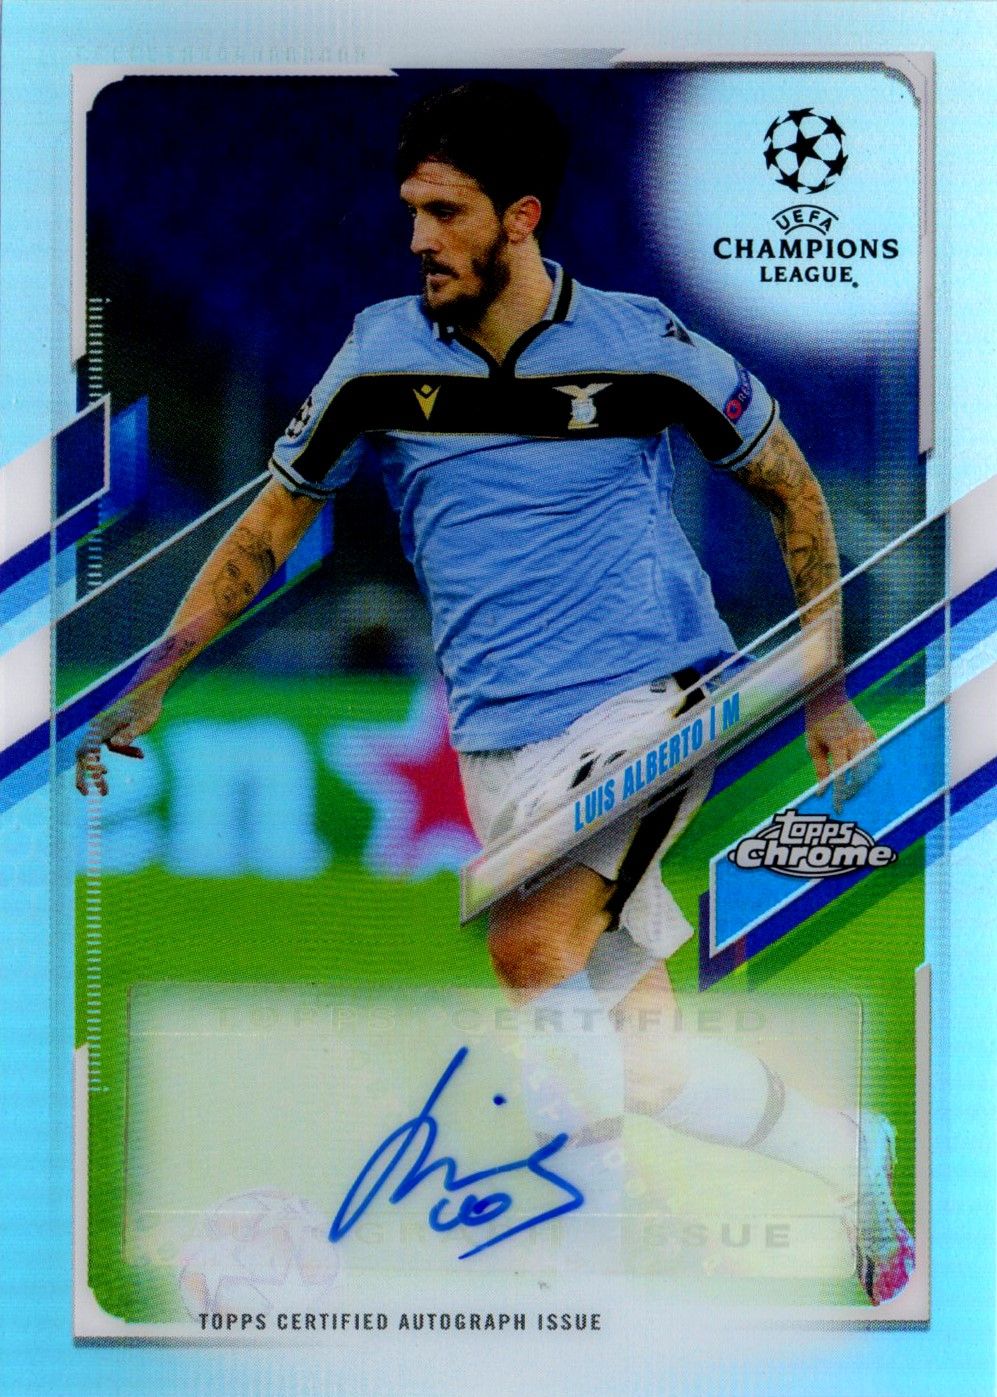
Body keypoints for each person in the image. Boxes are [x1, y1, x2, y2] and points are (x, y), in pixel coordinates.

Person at [76, 80, 913, 1303]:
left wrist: (824, 686)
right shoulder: (377, 354)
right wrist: (157, 675)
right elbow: (268, 528)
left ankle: (582, 1281)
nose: (418, 237)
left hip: (653, 699)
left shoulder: (642, 343)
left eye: (446, 212)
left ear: (519, 217)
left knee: (528, 943)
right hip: (498, 744)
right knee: (645, 1062)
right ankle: (849, 1153)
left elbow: (788, 483)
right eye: (411, 210)